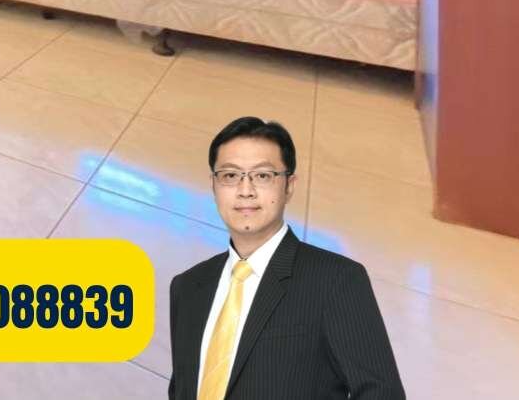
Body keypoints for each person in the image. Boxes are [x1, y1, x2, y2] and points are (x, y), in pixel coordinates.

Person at [166, 116, 405, 399]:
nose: (245, 190)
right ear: (214, 186)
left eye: (262, 176)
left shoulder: (336, 280)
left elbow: (382, 393)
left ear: (289, 186)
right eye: (230, 176)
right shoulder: (187, 287)